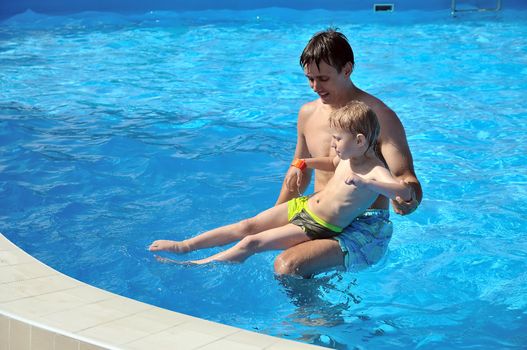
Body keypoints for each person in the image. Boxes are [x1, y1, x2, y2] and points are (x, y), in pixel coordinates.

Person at [149, 101, 412, 265]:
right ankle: (185, 246)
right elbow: (332, 163)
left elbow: (403, 190)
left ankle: (200, 264)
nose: (333, 145)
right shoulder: (346, 156)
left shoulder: (375, 170)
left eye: (337, 140)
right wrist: (304, 163)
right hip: (304, 206)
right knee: (247, 225)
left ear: (359, 140)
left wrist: (367, 183)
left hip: (319, 225)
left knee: (251, 243)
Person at [272, 28, 422, 277]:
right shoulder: (307, 114)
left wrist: (408, 200)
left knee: (288, 266)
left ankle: (320, 317)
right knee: (250, 238)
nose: (315, 87)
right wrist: (274, 216)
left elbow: (406, 177)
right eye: (310, 79)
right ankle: (320, 313)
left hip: (363, 225)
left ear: (347, 70)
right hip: (321, 215)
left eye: (323, 78)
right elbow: (299, 173)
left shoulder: (378, 116)